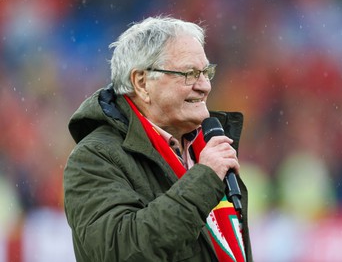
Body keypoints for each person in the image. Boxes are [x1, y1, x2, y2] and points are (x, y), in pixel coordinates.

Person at [64, 16, 253, 262]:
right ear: (142, 83)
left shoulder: (207, 151)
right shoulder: (93, 158)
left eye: (206, 72)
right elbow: (121, 251)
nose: (205, 86)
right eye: (190, 73)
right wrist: (204, 179)